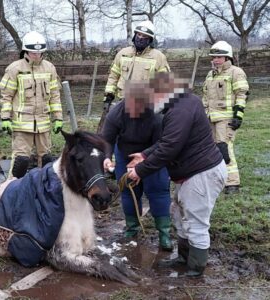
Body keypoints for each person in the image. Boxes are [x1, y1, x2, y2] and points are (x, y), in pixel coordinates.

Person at [126, 73, 227, 277]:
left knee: (196, 222)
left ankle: (195, 270)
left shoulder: (180, 111)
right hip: (191, 173)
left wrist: (140, 170)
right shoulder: (182, 104)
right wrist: (145, 155)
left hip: (201, 174)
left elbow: (169, 148)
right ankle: (183, 258)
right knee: (180, 215)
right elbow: (168, 141)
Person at [102, 88, 173, 251]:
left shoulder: (157, 115)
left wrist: (142, 163)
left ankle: (164, 234)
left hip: (153, 154)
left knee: (158, 190)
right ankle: (132, 230)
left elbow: (162, 143)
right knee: (128, 190)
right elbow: (107, 139)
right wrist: (106, 157)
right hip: (125, 155)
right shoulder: (115, 114)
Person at [0, 31, 63, 178]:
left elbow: (54, 95)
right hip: (22, 124)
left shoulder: (49, 68)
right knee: (21, 162)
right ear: (25, 51)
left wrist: (58, 118)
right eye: (33, 52)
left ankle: (43, 189)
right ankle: (12, 189)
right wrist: (5, 118)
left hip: (43, 123)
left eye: (40, 52)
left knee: (46, 160)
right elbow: (6, 96)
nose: (37, 55)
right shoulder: (15, 69)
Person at [202, 41, 249, 194]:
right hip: (210, 118)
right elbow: (205, 96)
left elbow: (242, 94)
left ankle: (232, 183)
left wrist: (238, 116)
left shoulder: (236, 72)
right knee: (212, 149)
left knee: (225, 149)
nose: (215, 60)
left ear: (227, 57)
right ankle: (218, 179)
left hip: (226, 119)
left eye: (219, 57)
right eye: (213, 57)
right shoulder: (211, 74)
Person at [103, 20, 170, 110]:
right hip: (123, 101)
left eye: (144, 36)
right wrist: (108, 96)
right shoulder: (123, 53)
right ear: (135, 35)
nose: (140, 38)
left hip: (147, 106)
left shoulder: (159, 57)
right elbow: (113, 76)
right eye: (139, 35)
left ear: (150, 39)